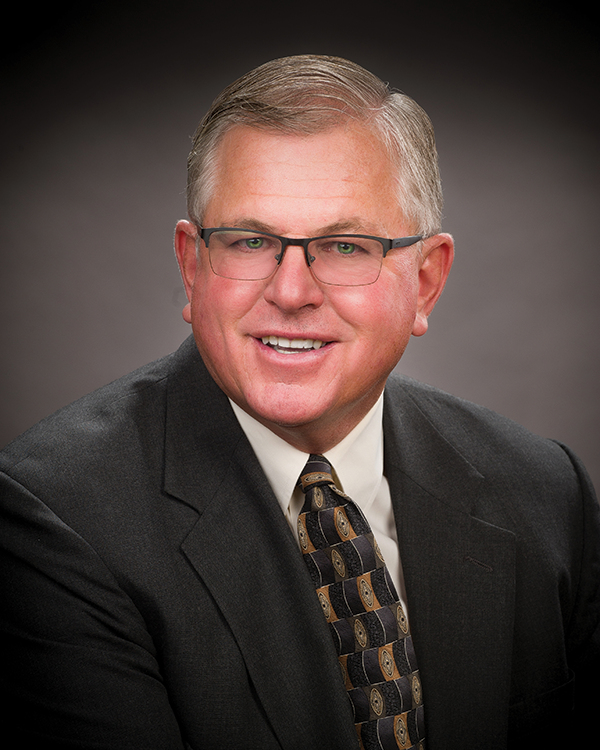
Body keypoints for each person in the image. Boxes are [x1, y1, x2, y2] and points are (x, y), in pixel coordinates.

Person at [0, 54, 598, 750]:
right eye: (251, 241)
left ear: (426, 282)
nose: (290, 292)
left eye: (345, 246)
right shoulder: (58, 517)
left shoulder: (546, 492)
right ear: (192, 267)